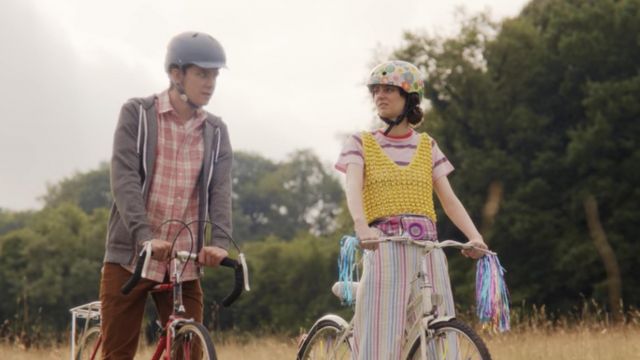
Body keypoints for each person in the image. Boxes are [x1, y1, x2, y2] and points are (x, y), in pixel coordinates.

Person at [335, 60, 488, 359]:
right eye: (376, 90)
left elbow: (449, 199)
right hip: (383, 246)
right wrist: (361, 225)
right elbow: (352, 187)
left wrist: (475, 236)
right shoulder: (361, 143)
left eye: (389, 89)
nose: (380, 95)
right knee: (380, 338)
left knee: (436, 332)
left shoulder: (427, 146)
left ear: (410, 98)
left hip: (428, 249)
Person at [99, 31, 233, 359]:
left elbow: (220, 189)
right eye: (202, 73)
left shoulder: (215, 131)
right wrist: (144, 236)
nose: (210, 83)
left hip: (183, 262)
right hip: (132, 256)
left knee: (189, 352)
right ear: (176, 74)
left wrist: (220, 242)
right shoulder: (138, 114)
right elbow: (125, 179)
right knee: (118, 353)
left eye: (214, 75)